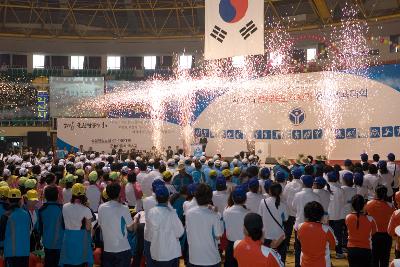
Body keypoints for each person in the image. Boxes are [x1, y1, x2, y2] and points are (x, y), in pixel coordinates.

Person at [186, 183, 224, 267]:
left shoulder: (189, 213)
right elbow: (218, 235)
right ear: (210, 197)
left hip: (194, 257)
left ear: (195, 196)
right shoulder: (214, 215)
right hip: (211, 257)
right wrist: (218, 215)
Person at [98, 183, 135, 267]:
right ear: (119, 194)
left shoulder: (101, 207)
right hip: (122, 248)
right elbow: (131, 228)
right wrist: (136, 220)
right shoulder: (124, 208)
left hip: (107, 248)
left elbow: (101, 225)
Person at [146, 185, 184, 267]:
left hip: (157, 252)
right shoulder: (172, 213)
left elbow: (150, 234)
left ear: (156, 198)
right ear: (168, 198)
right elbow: (180, 232)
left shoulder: (151, 212)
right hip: (171, 253)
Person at [59, 183, 94, 267]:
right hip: (80, 238)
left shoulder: (64, 207)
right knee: (79, 262)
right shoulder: (86, 209)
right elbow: (88, 228)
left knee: (68, 261)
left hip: (67, 237)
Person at [292, 175, 321, 267]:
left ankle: (298, 264)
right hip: (313, 226)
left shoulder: (298, 195)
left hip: (299, 225)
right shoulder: (316, 196)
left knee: (298, 248)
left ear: (303, 183)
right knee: (311, 247)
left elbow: (294, 208)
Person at [297, 201, 336, 267]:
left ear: (306, 214)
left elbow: (299, 239)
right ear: (321, 215)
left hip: (305, 263)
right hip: (322, 264)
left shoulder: (300, 226)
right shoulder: (326, 229)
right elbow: (333, 246)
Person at [365, 185, 395, 267]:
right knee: (384, 260)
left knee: (374, 259)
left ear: (375, 193)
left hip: (373, 236)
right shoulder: (391, 206)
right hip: (387, 236)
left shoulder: (368, 204)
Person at [0, 188, 31, 267]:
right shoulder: (26, 214)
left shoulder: (5, 216)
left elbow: (1, 235)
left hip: (11, 253)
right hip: (25, 252)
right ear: (20, 200)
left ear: (8, 200)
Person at [258, 182, 287, 262]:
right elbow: (285, 219)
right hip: (280, 237)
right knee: (280, 260)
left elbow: (260, 216)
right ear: (280, 192)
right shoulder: (283, 205)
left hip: (266, 236)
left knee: (266, 260)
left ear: (269, 191)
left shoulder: (263, 202)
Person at [346, 195, 377, 267]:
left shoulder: (348, 217)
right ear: (363, 205)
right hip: (365, 250)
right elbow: (374, 232)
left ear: (352, 205)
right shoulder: (370, 218)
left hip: (351, 249)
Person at [38, 185, 65, 267]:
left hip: (47, 242)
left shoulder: (42, 209)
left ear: (45, 196)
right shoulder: (61, 209)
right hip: (60, 243)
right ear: (57, 196)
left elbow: (40, 227)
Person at [223, 186, 249, 267]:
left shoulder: (226, 211)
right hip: (245, 245)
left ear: (232, 199)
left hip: (231, 245)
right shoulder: (248, 213)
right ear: (245, 199)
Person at [282, 167, 303, 251]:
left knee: (288, 229)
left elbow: (284, 197)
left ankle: (286, 245)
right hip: (299, 212)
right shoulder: (302, 185)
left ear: (292, 175)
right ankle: (298, 246)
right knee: (298, 230)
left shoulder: (288, 185)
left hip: (289, 211)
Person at [327, 171, 346, 259]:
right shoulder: (340, 190)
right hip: (338, 216)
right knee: (338, 235)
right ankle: (339, 252)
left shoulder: (325, 188)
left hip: (327, 217)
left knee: (326, 234)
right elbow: (343, 202)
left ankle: (327, 252)